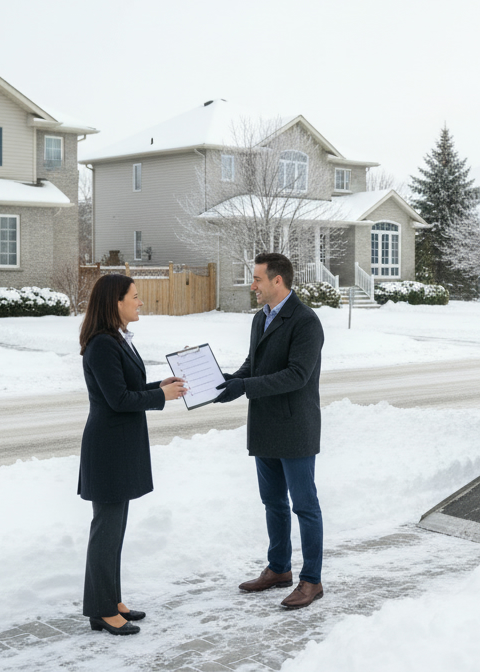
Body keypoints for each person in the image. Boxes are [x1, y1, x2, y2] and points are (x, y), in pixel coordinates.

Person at [214, 252, 327, 609]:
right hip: (264, 425)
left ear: (278, 281)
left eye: (258, 279)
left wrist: (245, 387)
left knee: (304, 506)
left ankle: (312, 580)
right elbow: (254, 364)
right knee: (273, 503)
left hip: (295, 426)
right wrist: (226, 383)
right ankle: (279, 569)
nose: (253, 285)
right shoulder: (260, 318)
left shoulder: (306, 321)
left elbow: (297, 375)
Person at [77, 274, 187, 636]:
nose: (140, 303)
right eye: (135, 297)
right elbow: (118, 399)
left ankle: (111, 599)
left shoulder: (117, 340)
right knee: (106, 531)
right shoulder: (102, 344)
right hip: (108, 449)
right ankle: (101, 610)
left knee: (115, 529)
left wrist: (160, 386)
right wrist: (162, 398)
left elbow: (129, 387)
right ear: (116, 303)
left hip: (121, 445)